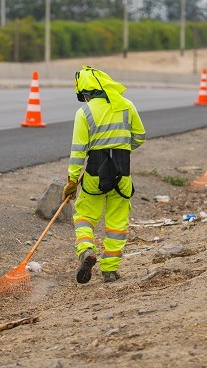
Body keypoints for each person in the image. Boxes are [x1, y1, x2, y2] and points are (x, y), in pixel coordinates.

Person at [62, 66, 146, 285]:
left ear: (86, 93)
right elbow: (139, 137)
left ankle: (86, 250)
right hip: (123, 172)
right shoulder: (127, 106)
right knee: (117, 223)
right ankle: (110, 271)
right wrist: (120, 148)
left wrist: (72, 181)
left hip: (94, 174)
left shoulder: (84, 113)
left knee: (84, 216)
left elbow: (78, 152)